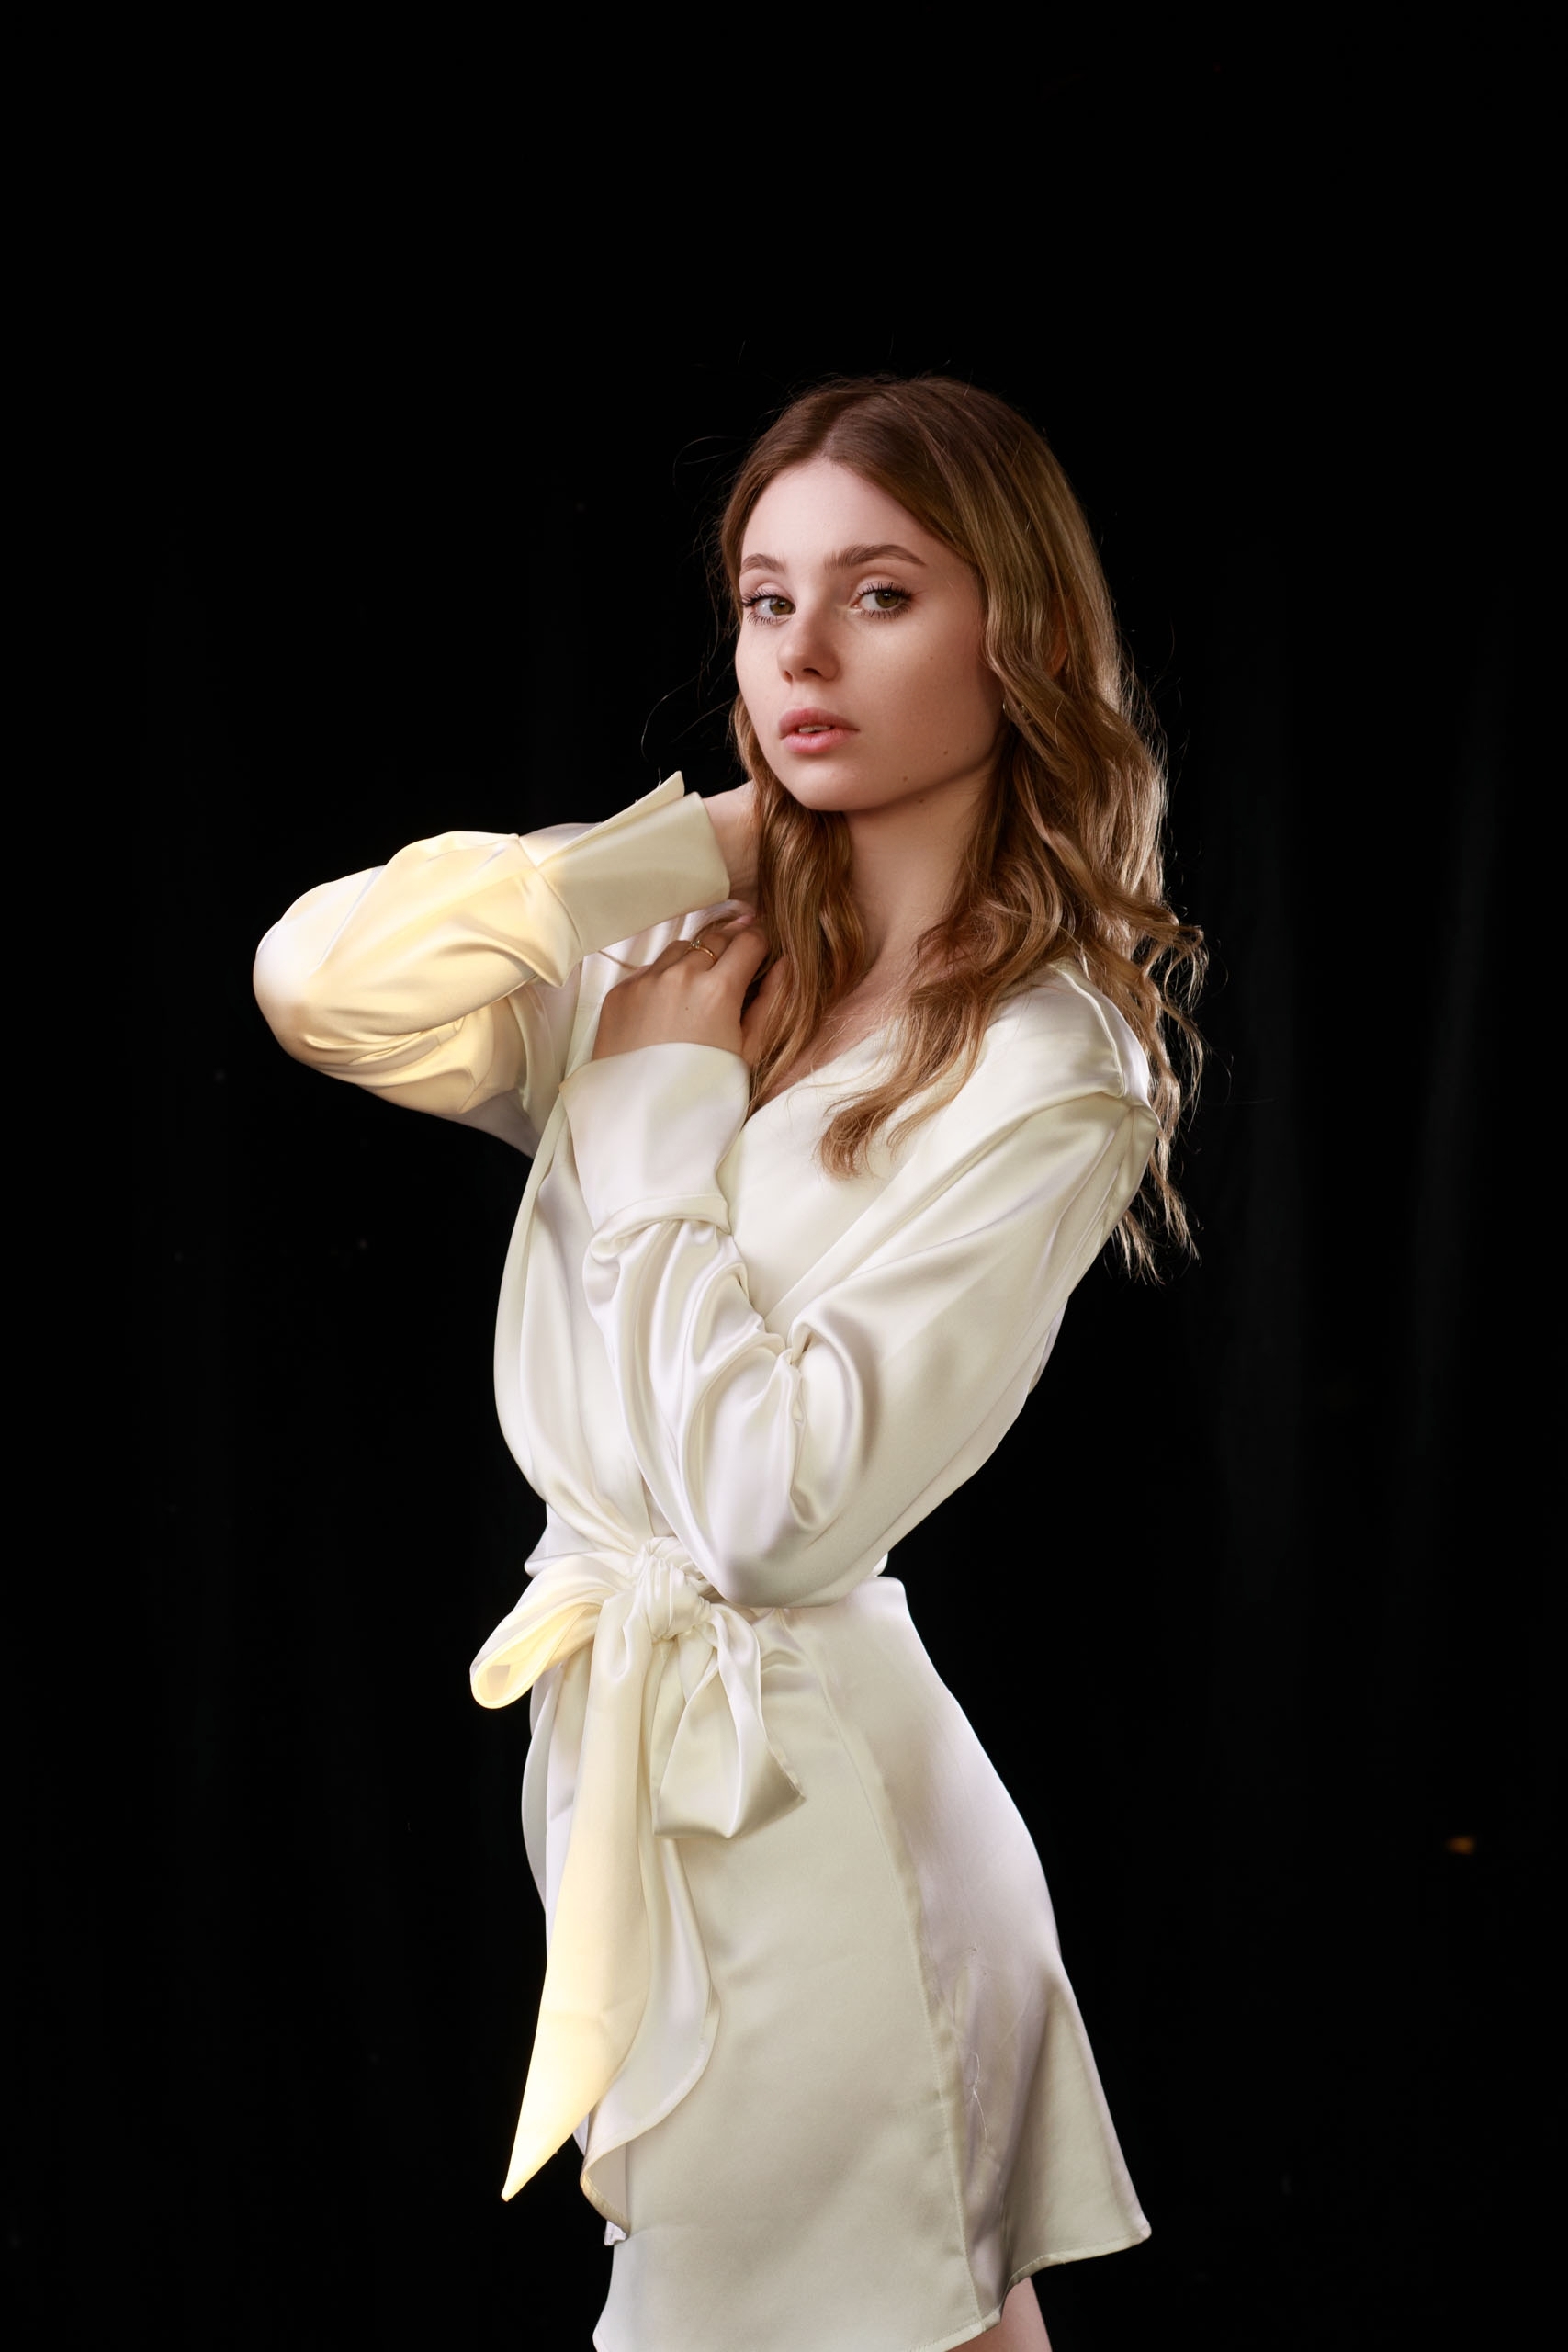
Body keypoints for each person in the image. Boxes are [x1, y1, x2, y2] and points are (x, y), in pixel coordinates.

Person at [253, 375, 1203, 2352]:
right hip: (645, 1802)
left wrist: (661, 1115)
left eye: (880, 593)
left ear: (1020, 634)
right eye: (768, 600)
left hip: (816, 1824)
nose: (802, 652)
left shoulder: (1042, 1060)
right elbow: (323, 983)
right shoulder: (680, 962)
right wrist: (678, 853)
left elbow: (774, 1515)